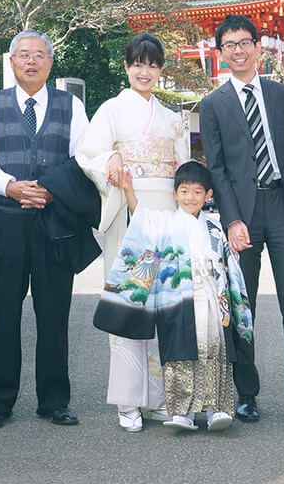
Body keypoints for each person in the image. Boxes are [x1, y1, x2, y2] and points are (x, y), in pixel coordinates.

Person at [199, 14, 284, 431]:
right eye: (229, 44)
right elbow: (217, 168)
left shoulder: (282, 94)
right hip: (244, 216)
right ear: (221, 54)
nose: (238, 49)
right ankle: (246, 393)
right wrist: (231, 219)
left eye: (244, 42)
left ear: (257, 46)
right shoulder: (213, 104)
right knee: (243, 306)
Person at [0, 30, 89, 430]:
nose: (31, 61)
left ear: (51, 63)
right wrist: (10, 185)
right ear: (12, 61)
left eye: (38, 55)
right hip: (4, 221)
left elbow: (84, 157)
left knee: (54, 313)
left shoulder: (71, 106)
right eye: (23, 55)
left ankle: (54, 400)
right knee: (2, 312)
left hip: (55, 223)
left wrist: (52, 189)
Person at [76, 31, 190, 432]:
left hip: (166, 214)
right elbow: (88, 153)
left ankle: (157, 398)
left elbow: (184, 171)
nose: (145, 71)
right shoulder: (110, 109)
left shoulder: (172, 118)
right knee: (129, 302)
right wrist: (111, 157)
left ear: (161, 69)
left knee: (163, 304)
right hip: (125, 211)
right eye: (137, 63)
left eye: (152, 63)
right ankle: (128, 399)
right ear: (127, 67)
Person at [93, 161, 253, 433]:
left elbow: (228, 262)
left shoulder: (214, 227)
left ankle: (218, 409)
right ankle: (184, 412)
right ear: (175, 194)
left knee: (216, 350)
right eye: (185, 191)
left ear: (208, 195)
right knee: (180, 352)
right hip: (179, 300)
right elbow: (141, 217)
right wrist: (130, 191)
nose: (190, 198)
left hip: (213, 297)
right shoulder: (166, 222)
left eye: (197, 192)